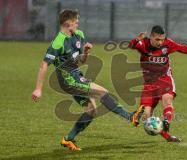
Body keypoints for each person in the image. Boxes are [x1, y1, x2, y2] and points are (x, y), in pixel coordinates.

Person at [32, 9, 142, 151]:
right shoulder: (57, 43)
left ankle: (68, 139)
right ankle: (130, 117)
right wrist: (38, 89)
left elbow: (80, 61)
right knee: (103, 92)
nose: (78, 24)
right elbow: (44, 65)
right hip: (68, 81)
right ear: (68, 24)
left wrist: (86, 52)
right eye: (75, 22)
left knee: (91, 110)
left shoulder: (78, 35)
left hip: (77, 75)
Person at [129, 25, 187, 142]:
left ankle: (166, 120)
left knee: (167, 100)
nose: (160, 42)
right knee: (147, 117)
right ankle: (168, 137)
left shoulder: (168, 44)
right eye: (157, 39)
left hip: (164, 79)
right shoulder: (143, 44)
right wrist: (137, 39)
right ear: (151, 37)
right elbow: (131, 45)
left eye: (162, 39)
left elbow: (182, 48)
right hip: (149, 84)